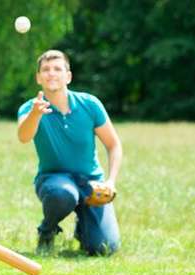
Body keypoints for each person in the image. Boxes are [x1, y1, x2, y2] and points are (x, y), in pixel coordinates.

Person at [17, 50, 122, 256]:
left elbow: (113, 145)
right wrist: (35, 115)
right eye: (45, 70)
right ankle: (47, 231)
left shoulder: (89, 104)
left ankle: (84, 230)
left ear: (68, 76)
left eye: (58, 68)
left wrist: (110, 181)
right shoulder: (31, 108)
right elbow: (23, 136)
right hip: (54, 180)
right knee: (63, 194)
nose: (51, 73)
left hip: (91, 183)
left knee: (104, 248)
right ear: (38, 78)